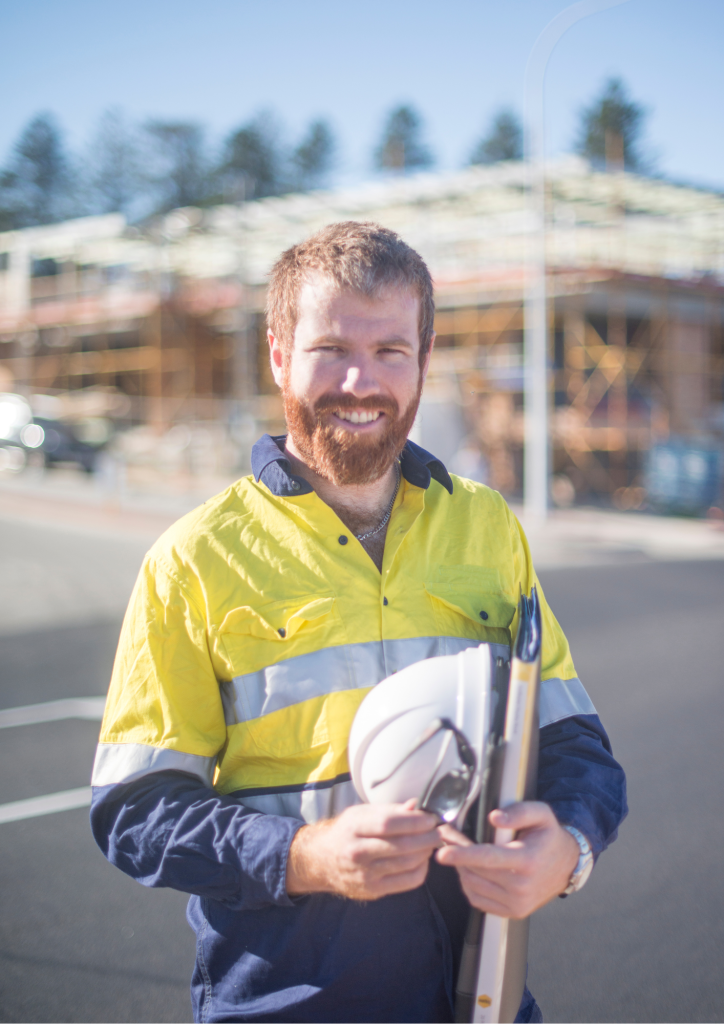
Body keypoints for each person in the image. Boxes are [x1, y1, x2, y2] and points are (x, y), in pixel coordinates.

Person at [90, 221, 627, 1024]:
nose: (360, 381)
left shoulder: (487, 527)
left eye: (389, 351)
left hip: (482, 997)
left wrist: (569, 848)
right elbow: (135, 809)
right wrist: (303, 856)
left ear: (424, 360)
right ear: (279, 356)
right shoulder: (192, 560)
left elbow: (573, 740)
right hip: (288, 1004)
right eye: (331, 348)